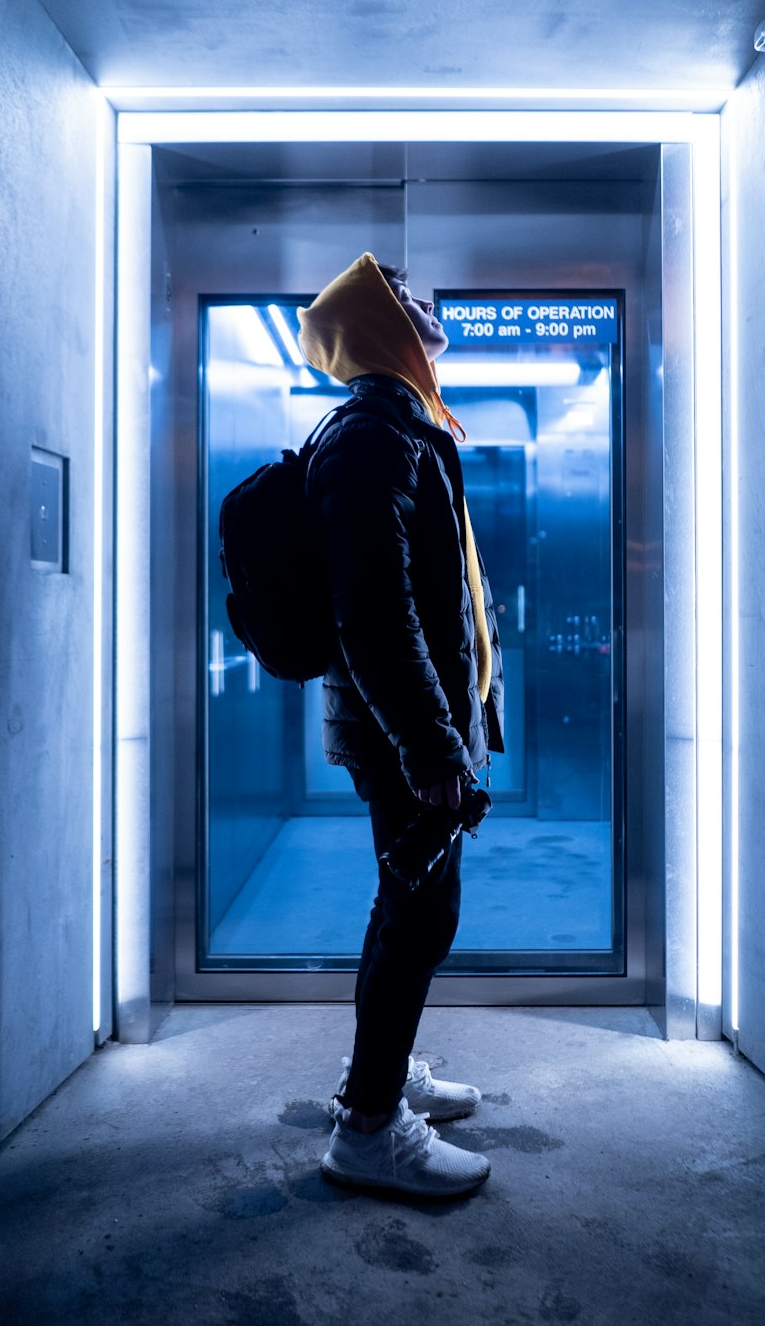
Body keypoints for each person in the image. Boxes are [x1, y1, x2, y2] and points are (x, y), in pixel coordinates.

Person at [296, 252, 505, 1197]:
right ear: (382, 330)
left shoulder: (403, 427)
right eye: (408, 300)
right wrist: (432, 746)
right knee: (423, 914)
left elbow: (436, 599)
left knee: (406, 908)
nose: (428, 306)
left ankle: (383, 1073)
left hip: (411, 730)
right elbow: (375, 613)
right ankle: (370, 1127)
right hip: (401, 738)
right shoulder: (371, 436)